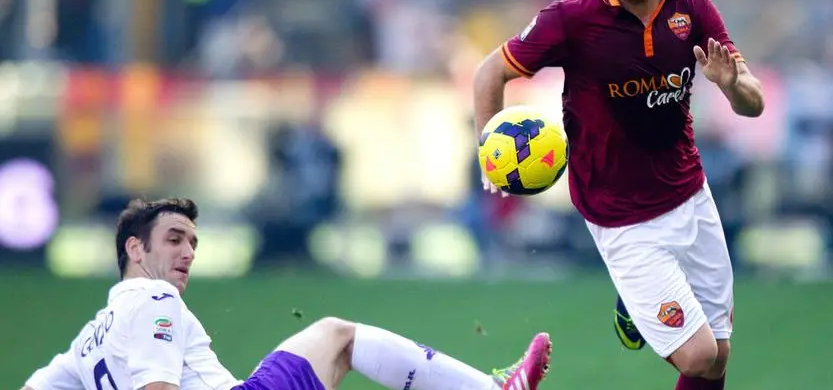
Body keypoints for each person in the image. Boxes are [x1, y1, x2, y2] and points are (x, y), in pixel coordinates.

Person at [472, 0, 765, 389]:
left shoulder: (693, 8)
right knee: (697, 355)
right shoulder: (571, 19)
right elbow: (490, 72)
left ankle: (637, 303)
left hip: (690, 195)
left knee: (719, 357)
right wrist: (489, 149)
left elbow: (754, 103)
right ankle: (634, 298)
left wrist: (732, 84)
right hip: (620, 218)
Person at [21, 198, 552, 390]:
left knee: (337, 343)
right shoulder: (155, 301)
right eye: (174, 239)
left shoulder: (89, 338)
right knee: (337, 335)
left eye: (193, 242)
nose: (188, 253)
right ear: (135, 250)